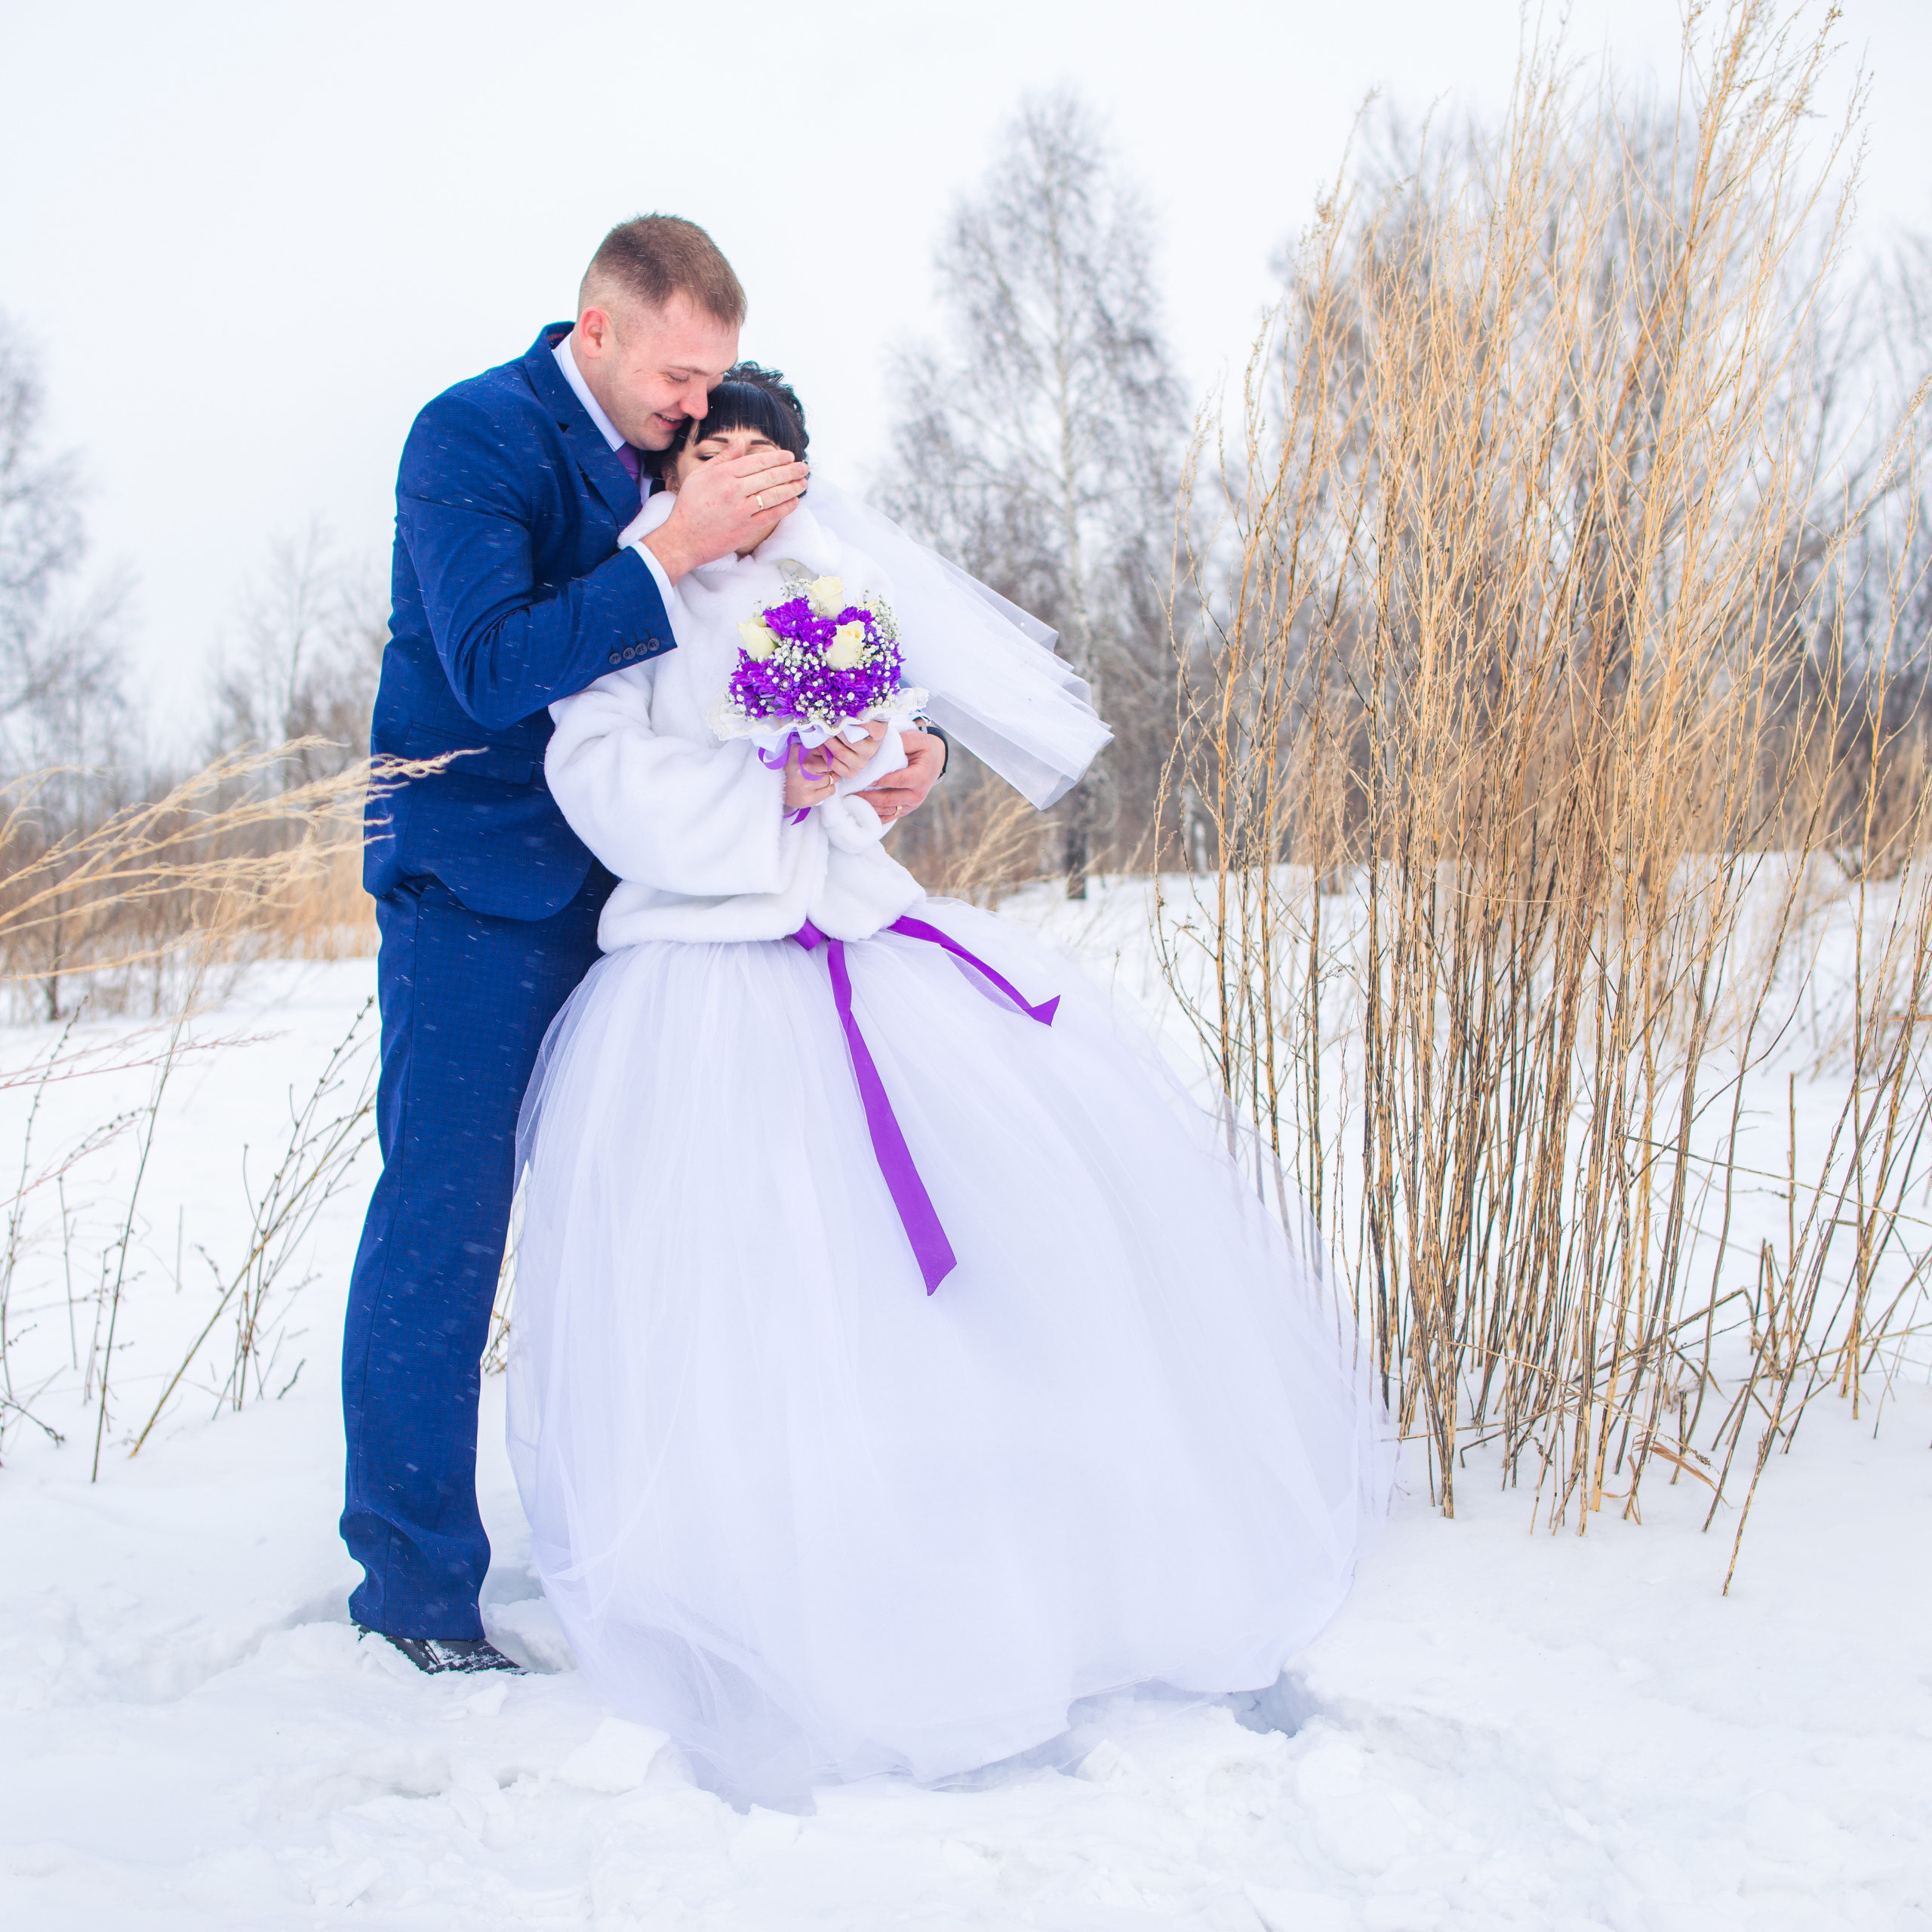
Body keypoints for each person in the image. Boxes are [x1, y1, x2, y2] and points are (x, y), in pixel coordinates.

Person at [507, 365, 1391, 1798]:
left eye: (764, 459)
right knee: (744, 1275)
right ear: (672, 475)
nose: (736, 479)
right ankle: (747, 1562)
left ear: (798, 479)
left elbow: (875, 755)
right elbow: (599, 779)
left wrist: (883, 767)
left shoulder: (831, 592)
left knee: (961, 1251)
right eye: (708, 451)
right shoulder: (630, 605)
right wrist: (773, 793)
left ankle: (986, 1531)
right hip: (698, 971)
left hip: (851, 939)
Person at [342, 217, 948, 1673]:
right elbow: (490, 669)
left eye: (717, 380)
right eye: (681, 375)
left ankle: (658, 1539)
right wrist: (676, 543)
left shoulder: (698, 468)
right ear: (597, 330)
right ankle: (415, 1594)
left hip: (671, 916)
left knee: (658, 1236)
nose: (699, 406)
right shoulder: (474, 437)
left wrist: (893, 755)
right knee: (448, 1224)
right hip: (488, 893)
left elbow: (787, 660)